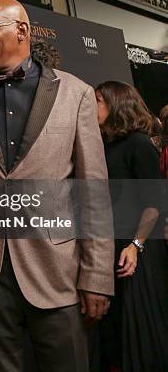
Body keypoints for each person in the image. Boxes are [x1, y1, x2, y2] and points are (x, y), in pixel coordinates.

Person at [0, 0, 114, 372]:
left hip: (55, 272)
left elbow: (93, 192)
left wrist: (98, 276)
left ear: (22, 29)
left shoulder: (76, 94)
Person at [95, 81, 168, 372]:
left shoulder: (138, 143)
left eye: (98, 100)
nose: (93, 107)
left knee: (142, 333)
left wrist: (136, 245)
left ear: (116, 104)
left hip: (140, 251)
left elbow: (154, 202)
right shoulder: (105, 144)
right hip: (115, 246)